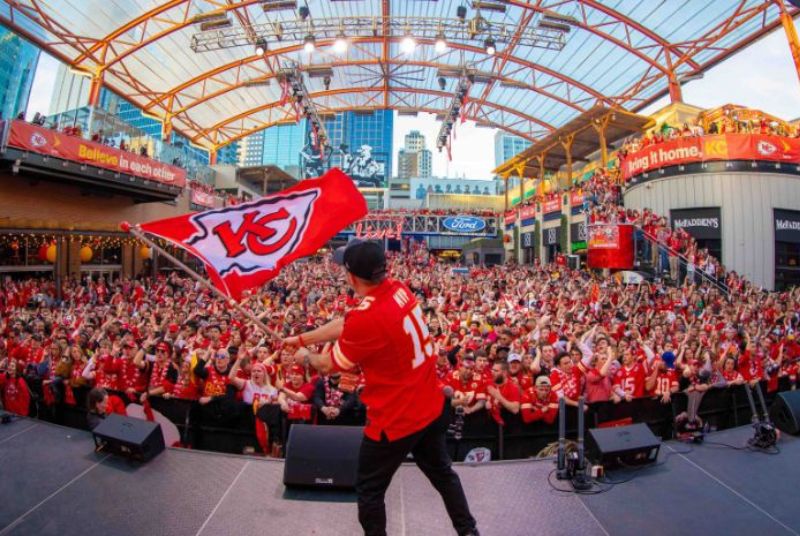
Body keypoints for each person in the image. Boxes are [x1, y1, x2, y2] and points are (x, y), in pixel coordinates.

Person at [284, 239, 478, 536]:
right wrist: (301, 339)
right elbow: (346, 322)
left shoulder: (369, 317)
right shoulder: (397, 289)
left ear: (350, 276)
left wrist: (304, 356)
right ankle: (469, 531)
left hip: (396, 419)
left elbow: (326, 366)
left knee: (369, 490)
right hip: (429, 405)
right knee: (443, 474)